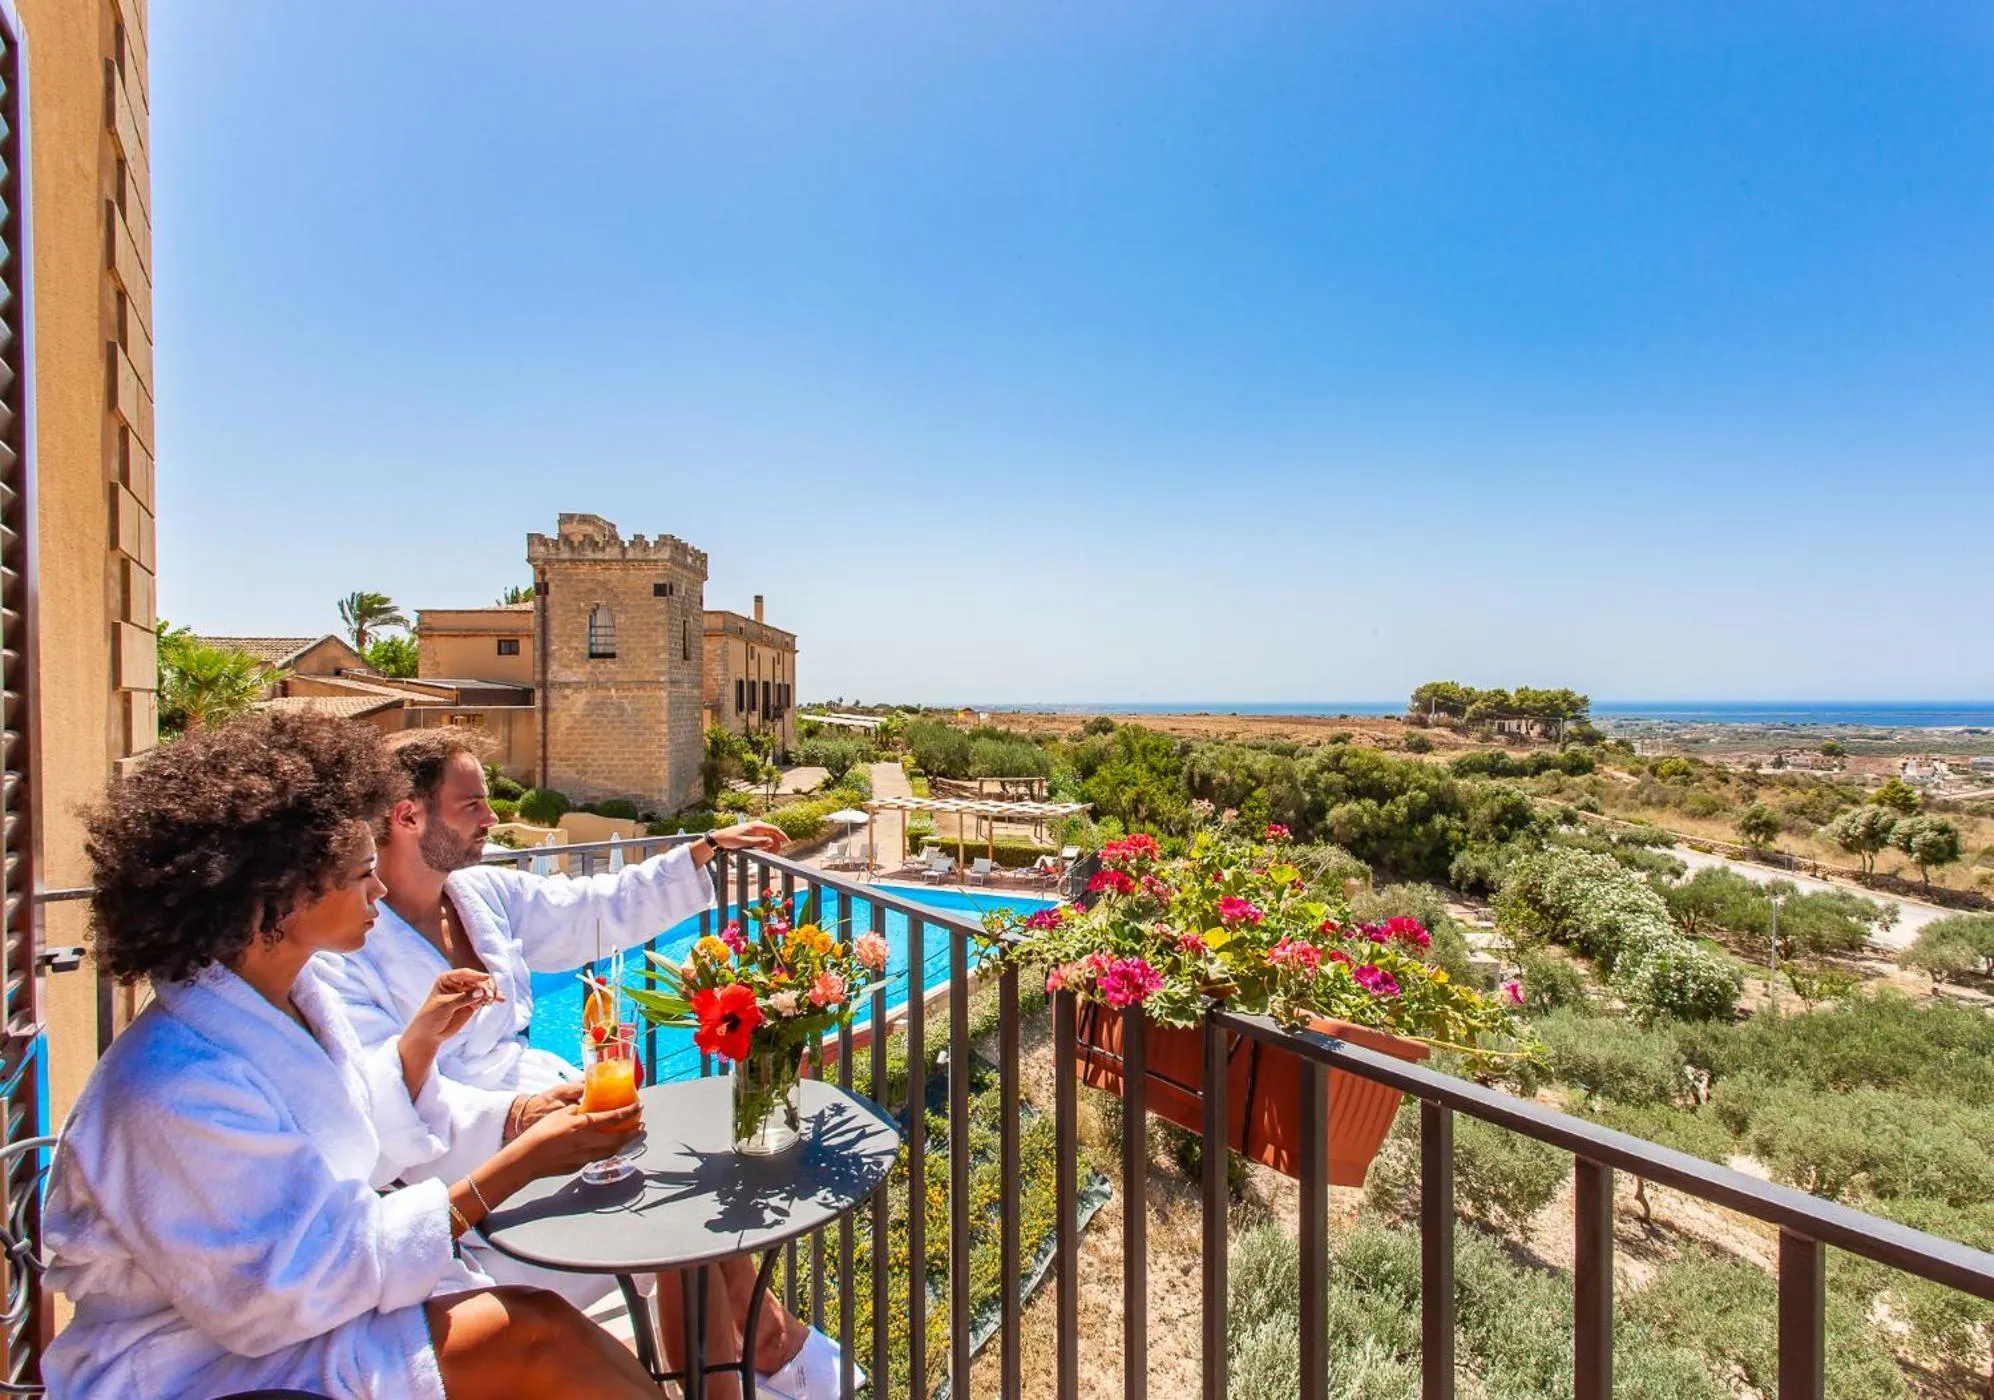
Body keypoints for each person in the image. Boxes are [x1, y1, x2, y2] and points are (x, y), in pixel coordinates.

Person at [41, 712, 665, 1400]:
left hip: (292, 1325)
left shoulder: (295, 1003)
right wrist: (520, 1163)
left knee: (536, 1325)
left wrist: (423, 1054)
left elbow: (351, 1129)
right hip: (202, 1369)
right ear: (284, 895)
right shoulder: (172, 1084)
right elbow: (283, 1289)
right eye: (362, 871)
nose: (378, 891)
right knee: (531, 1333)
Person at [316, 727, 851, 1399]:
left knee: (693, 1201)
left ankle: (747, 1361)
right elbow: (378, 1101)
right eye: (472, 805)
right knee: (685, 1215)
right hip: (455, 1169)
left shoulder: (480, 895)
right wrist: (515, 1116)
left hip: (551, 1114)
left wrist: (702, 851)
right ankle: (769, 1351)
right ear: (406, 816)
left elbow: (594, 909)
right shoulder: (346, 950)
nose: (490, 817)